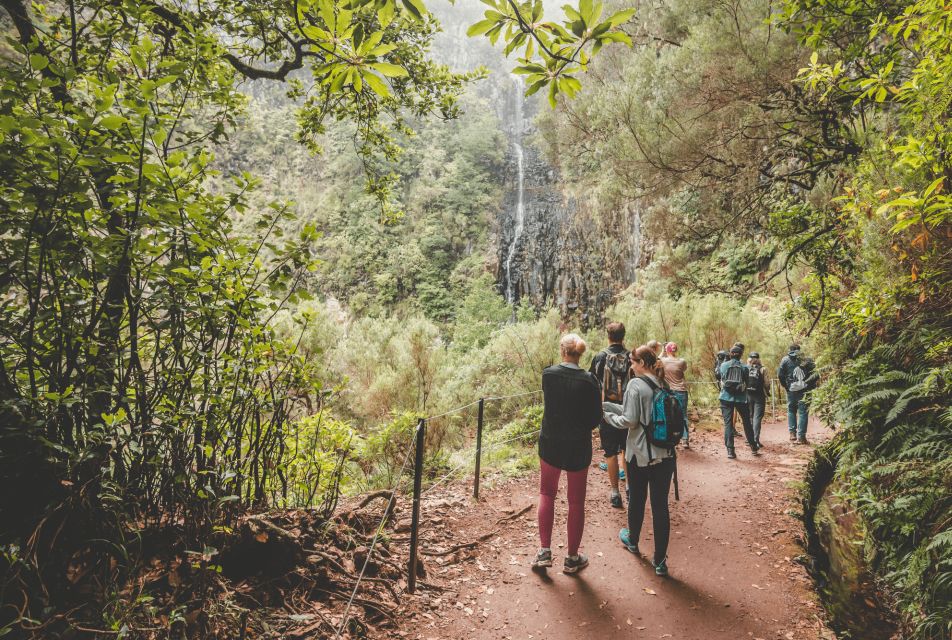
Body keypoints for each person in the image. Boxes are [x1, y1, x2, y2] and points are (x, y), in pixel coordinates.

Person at [603, 345, 676, 577]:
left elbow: (629, 420)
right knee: (660, 506)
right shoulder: (663, 383)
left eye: (632, 362)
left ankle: (633, 540)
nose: (630, 366)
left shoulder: (635, 384)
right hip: (665, 456)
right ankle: (660, 561)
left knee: (636, 499)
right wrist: (609, 405)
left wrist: (607, 416)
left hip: (640, 455)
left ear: (642, 363)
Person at [533, 334, 602, 574]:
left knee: (546, 493)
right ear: (580, 353)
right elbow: (595, 418)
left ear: (562, 350)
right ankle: (572, 558)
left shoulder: (548, 375)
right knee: (575, 501)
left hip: (551, 442)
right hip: (578, 446)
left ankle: (544, 552)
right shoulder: (589, 381)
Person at [589, 322, 630, 508]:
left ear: (608, 336)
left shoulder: (600, 357)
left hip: (606, 412)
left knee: (610, 453)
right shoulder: (632, 357)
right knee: (627, 450)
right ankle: (630, 486)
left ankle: (615, 492)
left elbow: (592, 383)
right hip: (629, 411)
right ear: (623, 336)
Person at [719, 345, 759, 458]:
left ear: (730, 354)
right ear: (741, 355)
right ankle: (753, 447)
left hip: (725, 398)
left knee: (728, 424)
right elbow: (747, 381)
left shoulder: (724, 365)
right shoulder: (744, 367)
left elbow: (721, 378)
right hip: (741, 399)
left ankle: (731, 451)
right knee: (746, 422)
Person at [777, 344, 818, 444]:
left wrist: (786, 387)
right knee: (803, 412)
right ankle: (801, 437)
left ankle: (792, 434)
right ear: (800, 350)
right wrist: (808, 384)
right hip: (805, 390)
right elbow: (816, 374)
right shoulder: (807, 360)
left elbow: (780, 375)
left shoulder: (785, 360)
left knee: (791, 410)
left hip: (791, 390)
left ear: (789, 350)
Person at [661, 342, 690, 447]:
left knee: (668, 415)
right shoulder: (682, 361)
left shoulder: (663, 361)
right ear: (675, 350)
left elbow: (656, 360)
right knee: (683, 415)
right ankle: (685, 439)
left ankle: (670, 437)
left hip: (668, 392)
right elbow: (684, 370)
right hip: (681, 391)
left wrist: (662, 351)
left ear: (667, 350)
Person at [746, 352, 769, 448]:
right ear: (759, 359)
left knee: (750, 417)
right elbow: (767, 383)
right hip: (759, 395)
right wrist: (767, 392)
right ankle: (755, 440)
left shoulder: (746, 368)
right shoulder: (763, 369)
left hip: (748, 395)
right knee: (757, 418)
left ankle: (749, 440)